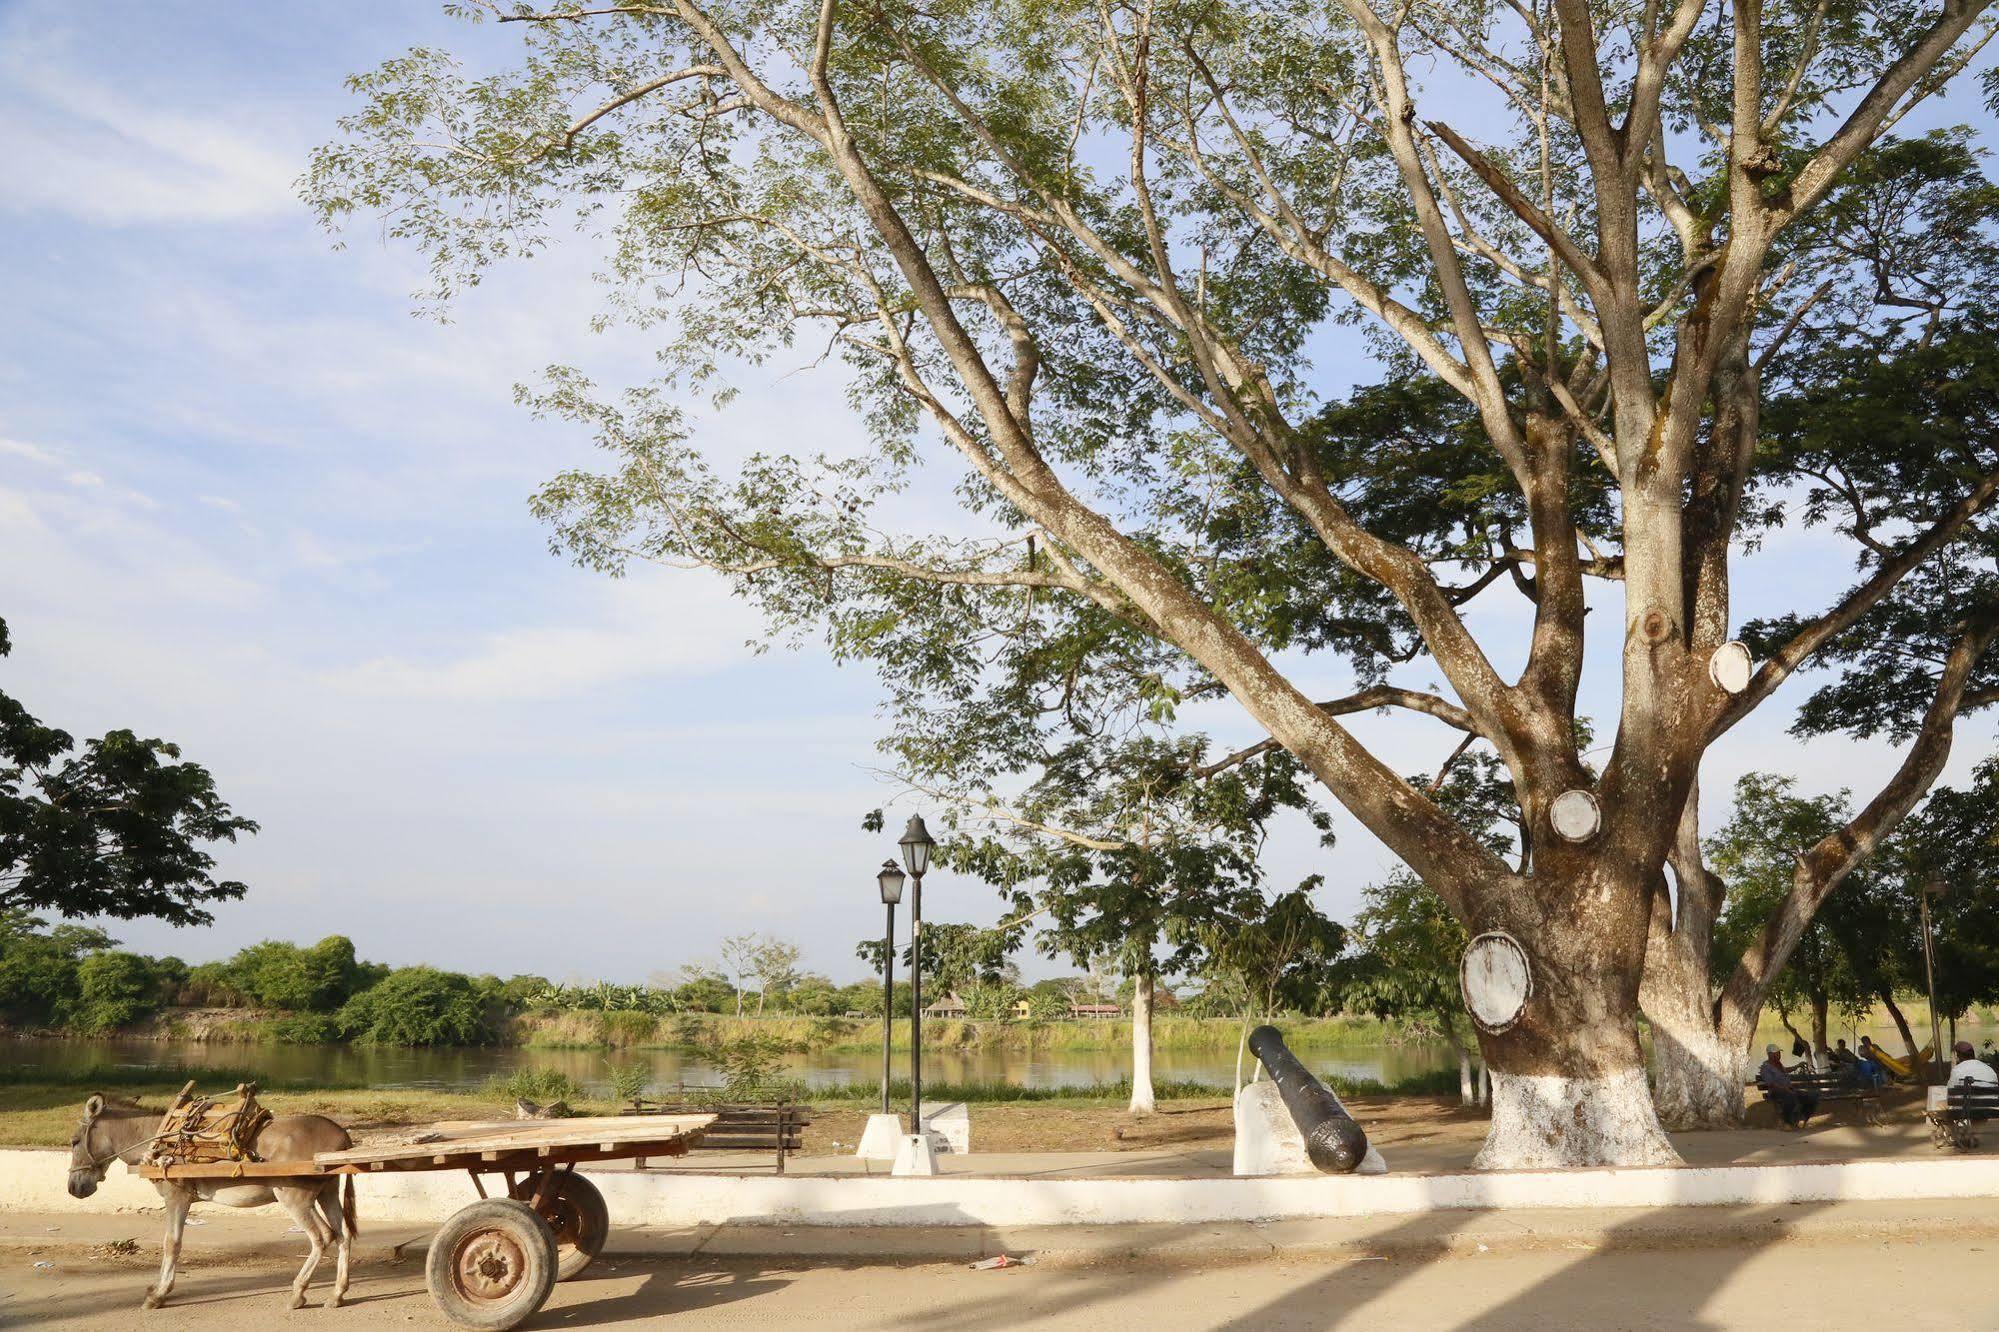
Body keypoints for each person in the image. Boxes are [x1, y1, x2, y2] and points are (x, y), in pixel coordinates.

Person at [1758, 1043, 1818, 1128]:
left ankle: (1802, 1118)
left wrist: (1797, 1066)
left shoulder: (1778, 1064)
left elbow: (1786, 1070)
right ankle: (1787, 1122)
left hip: (1789, 1089)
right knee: (1790, 1097)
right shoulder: (1766, 1067)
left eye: (1779, 1053)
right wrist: (1785, 1088)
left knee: (1812, 1097)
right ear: (1770, 1054)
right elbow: (1770, 1083)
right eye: (1777, 1053)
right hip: (1776, 1091)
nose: (1779, 1055)